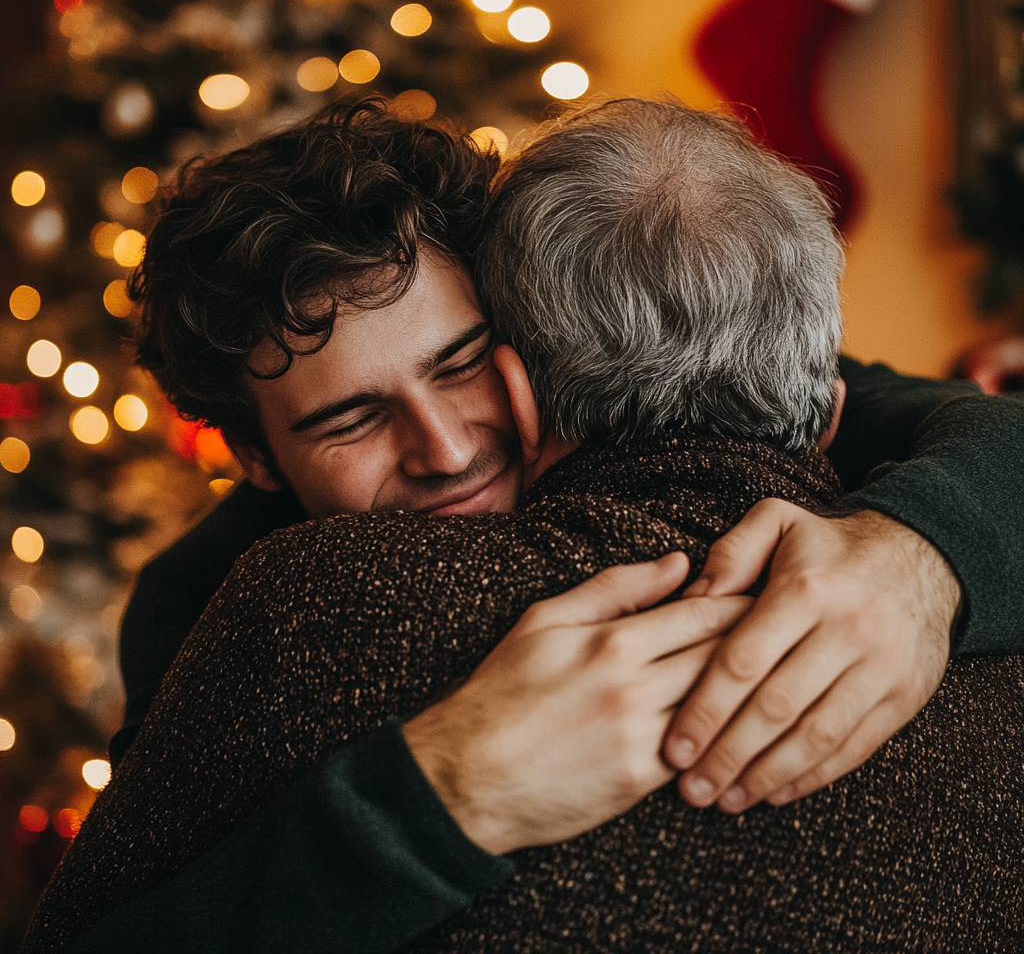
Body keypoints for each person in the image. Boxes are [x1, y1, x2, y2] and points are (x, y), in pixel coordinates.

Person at [23, 99, 1024, 952]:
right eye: (350, 418)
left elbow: (927, 419)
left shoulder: (704, 393)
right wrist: (447, 790)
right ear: (252, 458)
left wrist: (919, 556)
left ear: (521, 330)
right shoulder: (219, 602)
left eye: (460, 362)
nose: (446, 448)